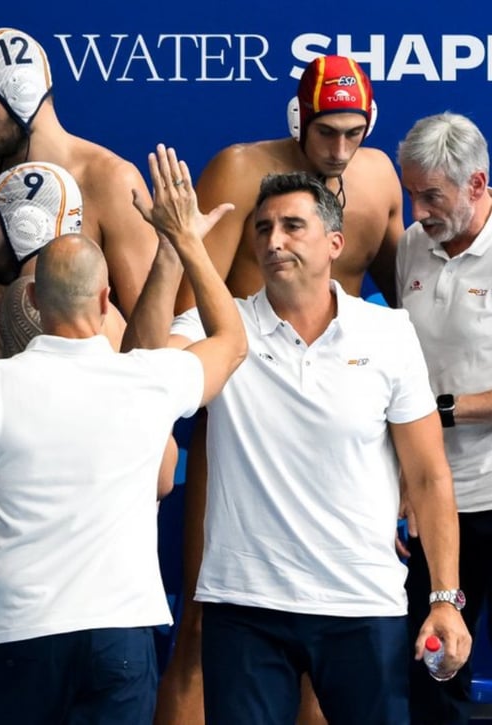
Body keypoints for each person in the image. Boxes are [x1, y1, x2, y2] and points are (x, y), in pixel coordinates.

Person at [0, 145, 246, 724]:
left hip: (19, 637)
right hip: (120, 642)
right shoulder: (145, 377)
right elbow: (232, 341)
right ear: (106, 298)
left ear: (29, 297)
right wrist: (186, 245)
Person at [147, 171, 469, 724]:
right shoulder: (226, 327)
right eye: (264, 228)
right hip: (245, 607)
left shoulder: (389, 332)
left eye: (293, 226)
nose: (274, 241)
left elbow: (429, 476)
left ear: (335, 244)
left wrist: (445, 598)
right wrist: (175, 249)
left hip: (362, 605)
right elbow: (144, 372)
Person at [0, 30, 160, 701]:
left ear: (22, 98)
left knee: (74, 639)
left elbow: (158, 326)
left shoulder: (108, 180)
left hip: (82, 455)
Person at [156, 54, 406, 725]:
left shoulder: (379, 180)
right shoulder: (239, 171)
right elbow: (183, 310)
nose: (342, 149)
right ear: (299, 119)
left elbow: (401, 307)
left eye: (355, 133)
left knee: (323, 627)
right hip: (242, 411)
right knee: (205, 621)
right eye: (328, 132)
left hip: (335, 414)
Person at [395, 112, 492, 725]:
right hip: (436, 503)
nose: (419, 208)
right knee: (431, 671)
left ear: (478, 184)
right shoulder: (411, 243)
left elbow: (428, 404)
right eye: (412, 192)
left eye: (433, 194)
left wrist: (443, 413)